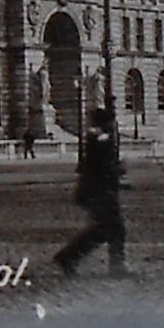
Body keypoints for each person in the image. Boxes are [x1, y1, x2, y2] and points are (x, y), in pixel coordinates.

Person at [54, 108, 127, 277]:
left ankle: (69, 257)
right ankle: (115, 266)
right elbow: (101, 164)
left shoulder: (99, 136)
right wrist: (117, 170)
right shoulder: (100, 137)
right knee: (112, 229)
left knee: (106, 230)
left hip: (97, 190)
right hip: (99, 192)